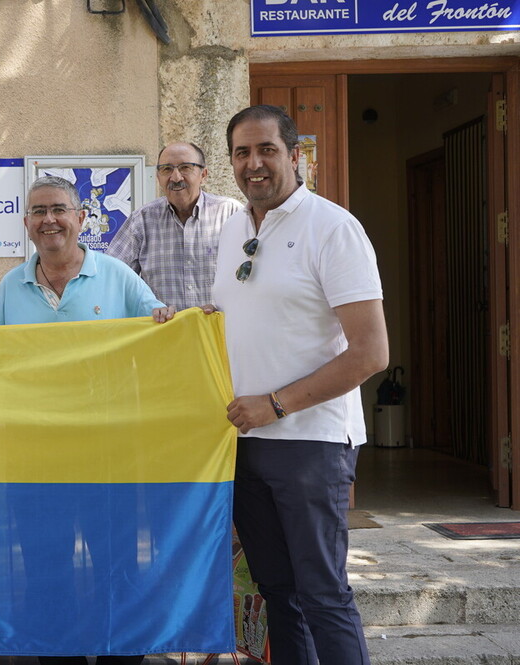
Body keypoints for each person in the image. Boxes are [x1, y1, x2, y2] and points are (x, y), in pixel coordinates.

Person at [206, 105, 388, 665]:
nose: (253, 164)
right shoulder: (235, 228)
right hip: (243, 446)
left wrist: (276, 405)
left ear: (295, 155)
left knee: (323, 595)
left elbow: (371, 353)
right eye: (241, 153)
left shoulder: (334, 228)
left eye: (266, 150)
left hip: (311, 446)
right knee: (277, 595)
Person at [0, 175, 174, 665]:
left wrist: (188, 324)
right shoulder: (10, 287)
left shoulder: (116, 277)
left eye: (60, 209)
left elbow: (162, 331)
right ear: (26, 224)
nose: (50, 220)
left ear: (82, 218)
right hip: (36, 462)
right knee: (46, 574)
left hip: (106, 459)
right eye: (39, 211)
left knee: (116, 571)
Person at [108, 141, 242, 309]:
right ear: (158, 177)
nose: (176, 177)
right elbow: (112, 279)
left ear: (204, 175)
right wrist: (146, 306)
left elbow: (253, 276)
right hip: (164, 332)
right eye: (167, 169)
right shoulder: (141, 220)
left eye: (186, 168)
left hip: (219, 332)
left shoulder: (230, 213)